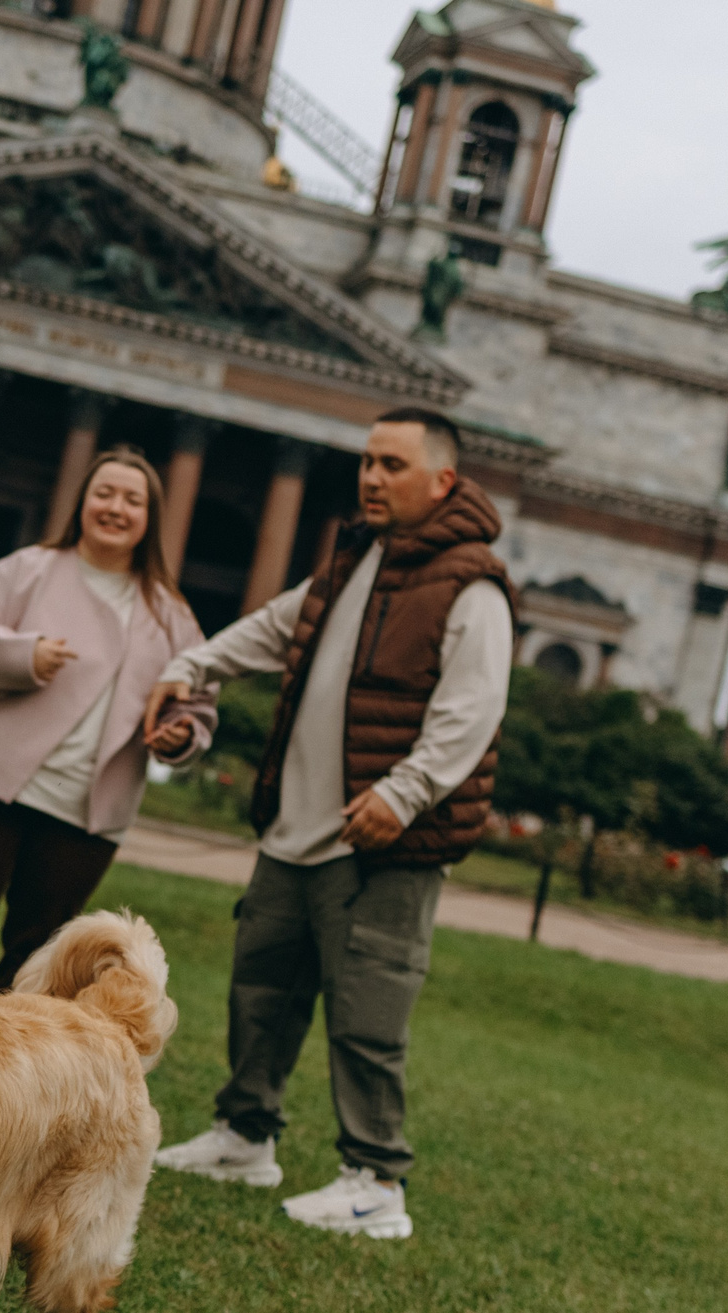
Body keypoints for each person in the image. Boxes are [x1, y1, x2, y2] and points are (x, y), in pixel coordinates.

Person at [141, 408, 512, 1240]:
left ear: (442, 481)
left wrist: (403, 794)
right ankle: (245, 1136)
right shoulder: (356, 560)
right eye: (367, 461)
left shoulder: (472, 583)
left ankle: (375, 1181)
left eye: (392, 464)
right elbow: (279, 628)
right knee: (261, 987)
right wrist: (191, 664)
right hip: (296, 829)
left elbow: (470, 713)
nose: (371, 477)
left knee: (368, 1012)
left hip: (384, 839)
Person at [0, 448, 218, 1002]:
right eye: (104, 494)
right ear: (82, 502)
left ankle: (9, 1084)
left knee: (38, 963)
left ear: (149, 519)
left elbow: (198, 701)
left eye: (132, 500)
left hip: (83, 819)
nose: (116, 508)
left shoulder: (171, 615)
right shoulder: (29, 569)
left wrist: (183, 733)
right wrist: (22, 657)